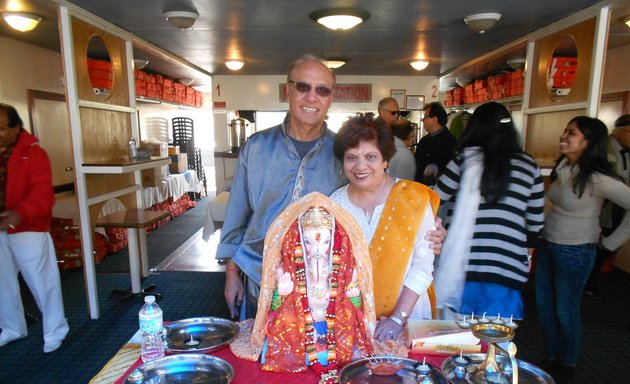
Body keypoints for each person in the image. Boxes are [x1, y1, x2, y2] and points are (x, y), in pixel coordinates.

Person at [219, 54, 445, 320]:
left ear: (330, 98)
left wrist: (424, 230)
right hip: (259, 274)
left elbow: (368, 210)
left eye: (322, 90)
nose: (312, 97)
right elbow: (237, 215)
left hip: (323, 289)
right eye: (303, 87)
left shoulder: (344, 152)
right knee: (260, 355)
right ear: (288, 90)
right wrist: (232, 273)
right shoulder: (256, 148)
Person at [230, 193, 375, 382]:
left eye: (325, 242)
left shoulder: (344, 268)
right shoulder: (287, 269)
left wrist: (352, 296)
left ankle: (327, 350)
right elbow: (275, 309)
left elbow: (356, 307)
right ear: (297, 241)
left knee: (347, 316)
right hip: (300, 326)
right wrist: (281, 294)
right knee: (287, 318)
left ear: (335, 241)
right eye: (308, 242)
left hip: (333, 324)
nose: (317, 250)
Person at [535, 116, 630, 383]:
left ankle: (568, 362)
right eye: (565, 130)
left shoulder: (598, 178)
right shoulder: (565, 166)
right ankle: (551, 356)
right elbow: (553, 202)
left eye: (572, 133)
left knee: (565, 309)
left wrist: (610, 245)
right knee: (544, 306)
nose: (564, 136)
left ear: (588, 142)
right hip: (549, 244)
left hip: (576, 251)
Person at [330, 114, 440, 341]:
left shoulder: (413, 198)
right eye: (351, 157)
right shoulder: (335, 204)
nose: (361, 166)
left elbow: (422, 266)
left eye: (371, 156)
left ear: (385, 160)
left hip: (409, 315)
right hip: (353, 317)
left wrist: (398, 319)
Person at [432, 102, 545, 321]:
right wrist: (527, 257)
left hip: (464, 265)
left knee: (457, 339)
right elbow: (536, 224)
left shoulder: (464, 160)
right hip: (506, 267)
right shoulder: (529, 166)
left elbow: (434, 199)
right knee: (496, 338)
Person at [0, 103, 69, 353]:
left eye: (0, 129)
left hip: (27, 226)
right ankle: (12, 327)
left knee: (42, 281)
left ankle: (55, 329)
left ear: (15, 127)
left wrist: (18, 215)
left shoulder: (34, 154)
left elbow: (43, 196)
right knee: (2, 282)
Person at [584, 114, 630, 299]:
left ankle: (590, 278)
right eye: (628, 131)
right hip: (604, 207)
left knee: (609, 244)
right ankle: (588, 281)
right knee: (597, 243)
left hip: (621, 206)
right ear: (616, 132)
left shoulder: (625, 152)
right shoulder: (604, 150)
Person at [414, 102, 457, 186]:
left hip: (437, 192)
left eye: (425, 116)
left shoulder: (449, 142)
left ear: (435, 119)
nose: (422, 120)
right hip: (421, 190)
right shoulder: (424, 140)